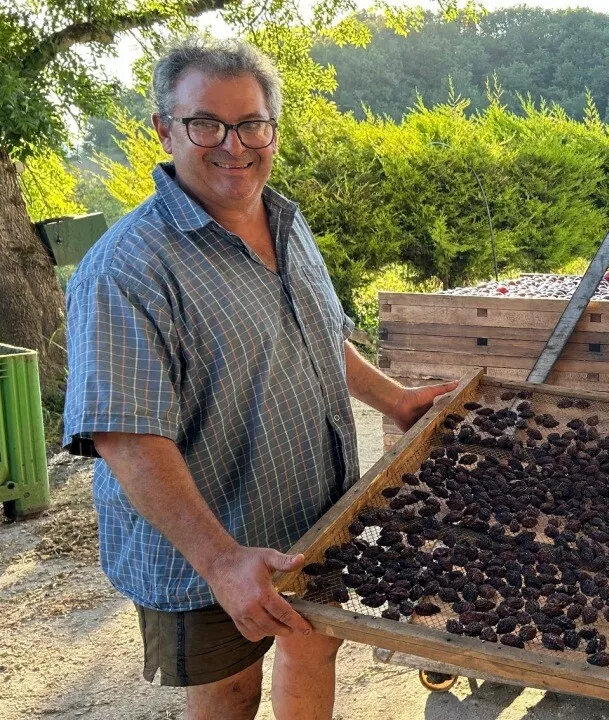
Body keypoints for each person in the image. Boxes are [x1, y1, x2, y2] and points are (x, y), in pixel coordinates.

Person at [61, 39, 456, 720]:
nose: (232, 145)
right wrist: (220, 562)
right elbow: (127, 437)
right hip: (209, 545)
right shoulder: (125, 269)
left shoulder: (285, 220)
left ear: (273, 128)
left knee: (315, 642)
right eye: (205, 123)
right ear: (164, 128)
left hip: (312, 514)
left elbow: (313, 335)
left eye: (251, 124)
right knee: (228, 691)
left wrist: (395, 399)